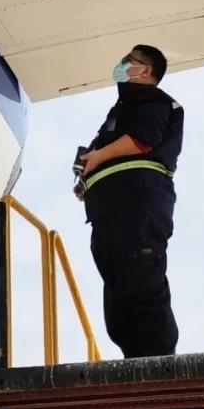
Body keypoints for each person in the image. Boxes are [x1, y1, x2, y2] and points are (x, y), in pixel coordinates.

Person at [74, 44, 182, 359]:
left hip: (137, 205)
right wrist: (88, 181)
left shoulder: (153, 101)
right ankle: (134, 362)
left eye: (128, 61)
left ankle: (161, 364)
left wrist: (98, 158)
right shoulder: (121, 111)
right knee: (118, 293)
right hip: (110, 209)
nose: (121, 64)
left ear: (145, 70)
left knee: (142, 281)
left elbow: (142, 139)